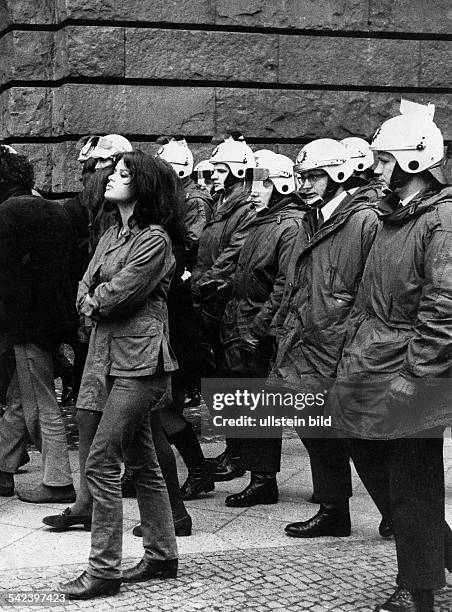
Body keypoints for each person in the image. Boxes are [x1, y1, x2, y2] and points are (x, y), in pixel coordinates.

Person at [326, 100, 452, 612]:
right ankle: (439, 554)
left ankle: (417, 590)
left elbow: (445, 308)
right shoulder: (392, 217)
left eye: (383, 160)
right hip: (373, 361)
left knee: (412, 481)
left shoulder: (440, 221)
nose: (375, 169)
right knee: (369, 453)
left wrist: (416, 376)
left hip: (411, 371)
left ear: (414, 162)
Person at [58, 151, 181, 600]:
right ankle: (162, 555)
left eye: (124, 174)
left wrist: (95, 300)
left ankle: (103, 570)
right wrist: (92, 298)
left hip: (141, 366)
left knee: (101, 462)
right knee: (144, 462)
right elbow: (84, 286)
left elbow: (115, 295)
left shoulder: (155, 240)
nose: (112, 178)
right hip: (109, 360)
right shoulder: (112, 233)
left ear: (144, 187)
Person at [267, 138, 389, 537]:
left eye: (315, 176)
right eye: (303, 176)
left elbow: (374, 291)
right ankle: (334, 508)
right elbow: (297, 283)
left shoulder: (365, 220)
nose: (306, 183)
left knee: (361, 440)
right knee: (315, 428)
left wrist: (358, 343)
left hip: (341, 344)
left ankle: (397, 512)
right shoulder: (312, 217)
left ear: (338, 174)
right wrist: (280, 326)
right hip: (307, 340)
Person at [219, 150, 309, 507]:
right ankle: (248, 466)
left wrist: (259, 328)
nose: (254, 191)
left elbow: (284, 284)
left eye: (264, 183)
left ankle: (263, 479)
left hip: (261, 327)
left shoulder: (288, 224)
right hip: (244, 319)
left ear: (282, 184)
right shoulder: (263, 220)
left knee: (261, 405)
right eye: (253, 183)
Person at [0, 145, 77, 503]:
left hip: (23, 323)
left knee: (40, 401)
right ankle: (3, 468)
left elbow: (6, 278)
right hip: (55, 319)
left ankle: (58, 481)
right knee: (22, 395)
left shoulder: (6, 214)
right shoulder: (57, 211)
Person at [191, 134, 256, 487]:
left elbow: (231, 257)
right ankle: (235, 449)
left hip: (226, 303)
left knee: (235, 381)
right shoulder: (222, 203)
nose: (213, 175)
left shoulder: (243, 209)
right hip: (213, 303)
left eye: (220, 170)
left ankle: (240, 454)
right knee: (220, 379)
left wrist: (201, 284)